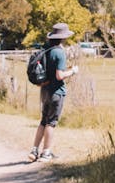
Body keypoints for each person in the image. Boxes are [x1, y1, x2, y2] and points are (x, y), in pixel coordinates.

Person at [28, 22, 79, 162]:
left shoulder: (46, 49)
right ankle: (46, 153)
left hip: (44, 90)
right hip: (57, 92)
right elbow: (59, 76)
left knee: (43, 121)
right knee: (51, 123)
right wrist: (73, 71)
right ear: (63, 37)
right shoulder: (59, 52)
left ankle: (34, 150)